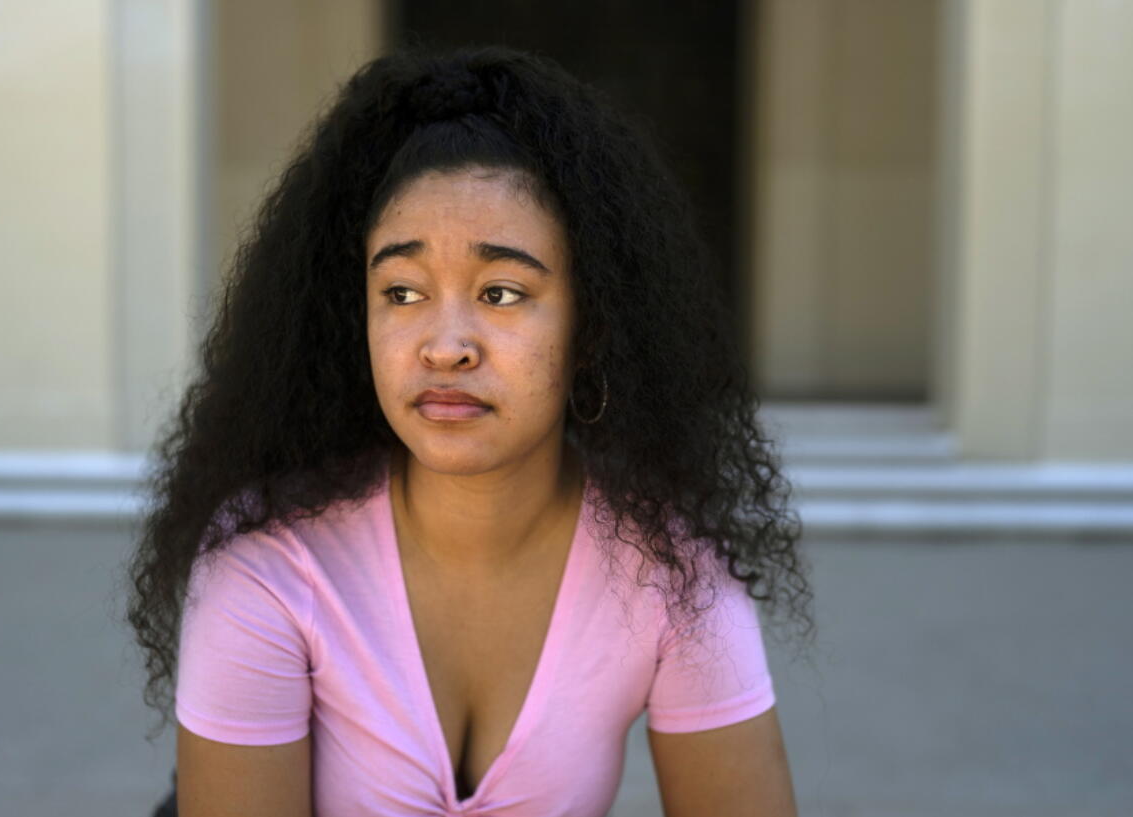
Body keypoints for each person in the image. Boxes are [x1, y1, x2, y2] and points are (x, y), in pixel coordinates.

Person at [125, 42, 813, 817]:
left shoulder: (674, 573)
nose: (446, 344)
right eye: (403, 291)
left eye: (502, 291)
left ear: (592, 327)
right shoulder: (268, 565)